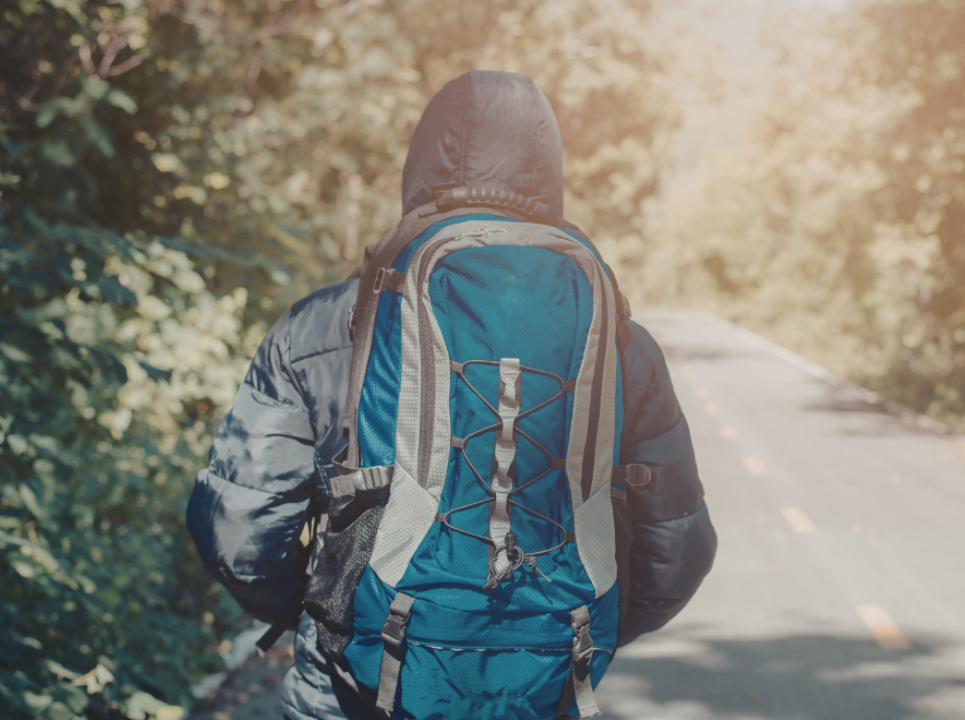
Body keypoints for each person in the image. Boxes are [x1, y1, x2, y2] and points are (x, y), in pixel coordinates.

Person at [186, 70, 716, 720]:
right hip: (546, 685)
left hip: (356, 687)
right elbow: (679, 550)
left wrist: (328, 617)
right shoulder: (622, 347)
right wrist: (572, 635)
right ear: (550, 173)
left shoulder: (326, 326)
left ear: (418, 170)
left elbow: (238, 530)